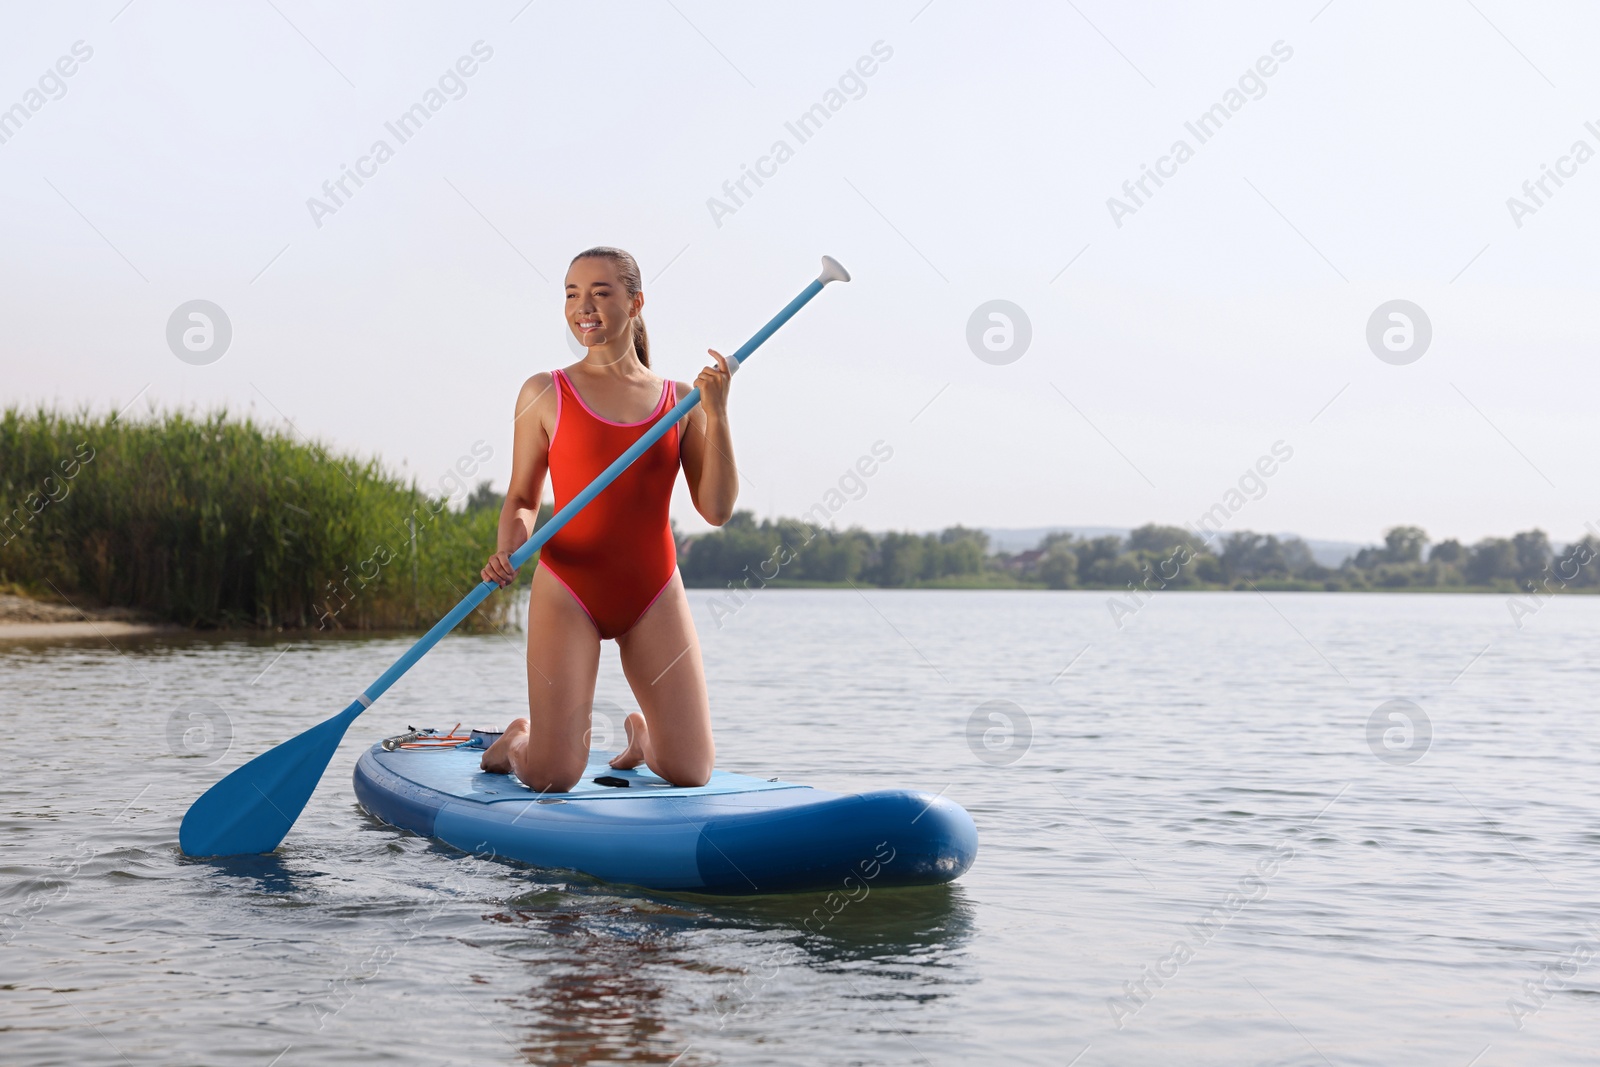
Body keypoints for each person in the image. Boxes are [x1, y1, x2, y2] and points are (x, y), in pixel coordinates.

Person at [478, 246, 737, 793]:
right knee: (553, 776)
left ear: (635, 302)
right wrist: (511, 548)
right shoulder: (544, 391)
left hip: (653, 591)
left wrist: (717, 412)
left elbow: (715, 510)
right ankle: (514, 742)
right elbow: (524, 495)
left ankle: (644, 740)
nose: (583, 306)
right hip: (569, 588)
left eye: (600, 291)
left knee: (691, 772)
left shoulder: (680, 402)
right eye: (572, 293)